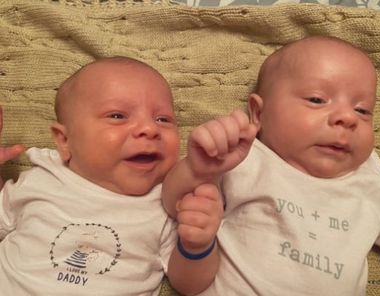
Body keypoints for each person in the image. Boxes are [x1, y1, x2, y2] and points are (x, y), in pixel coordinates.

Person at [162, 36, 380, 295]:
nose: (348, 117)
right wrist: (198, 169)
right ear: (259, 114)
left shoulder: (373, 178)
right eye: (317, 100)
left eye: (363, 110)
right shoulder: (246, 156)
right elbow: (173, 202)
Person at [0, 57, 223, 295]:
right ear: (65, 141)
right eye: (118, 116)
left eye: (163, 119)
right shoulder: (42, 178)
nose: (149, 129)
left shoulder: (166, 203)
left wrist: (196, 245)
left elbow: (189, 285)